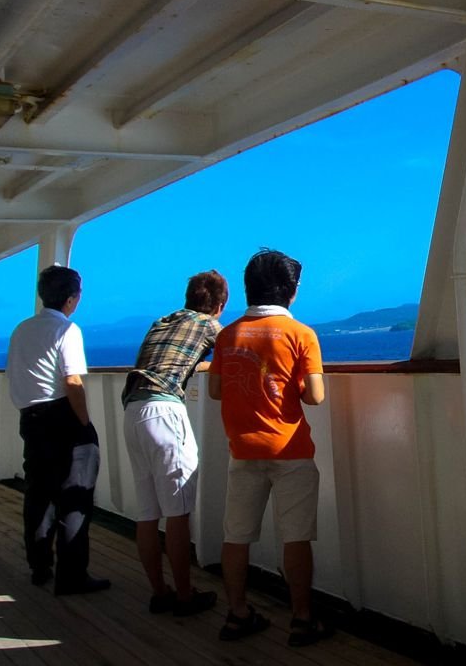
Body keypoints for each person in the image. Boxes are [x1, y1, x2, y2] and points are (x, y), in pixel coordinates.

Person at [208, 249, 330, 646]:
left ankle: (237, 613)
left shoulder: (227, 335)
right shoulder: (301, 335)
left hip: (243, 451)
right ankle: (301, 618)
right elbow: (315, 396)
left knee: (236, 535)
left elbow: (214, 389)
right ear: (291, 291)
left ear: (248, 289)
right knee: (295, 536)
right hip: (289, 451)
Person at [121, 270, 228, 616]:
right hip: (164, 413)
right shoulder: (209, 325)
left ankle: (160, 591)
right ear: (220, 304)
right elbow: (235, 353)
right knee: (178, 514)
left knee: (148, 513)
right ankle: (185, 596)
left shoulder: (162, 321)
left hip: (133, 411)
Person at [6, 265, 110, 595]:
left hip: (31, 418)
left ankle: (40, 566)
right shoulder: (67, 330)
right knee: (75, 496)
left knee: (39, 494)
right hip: (62, 417)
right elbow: (72, 381)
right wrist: (84, 424)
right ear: (70, 299)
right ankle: (72, 575)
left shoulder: (21, 329)